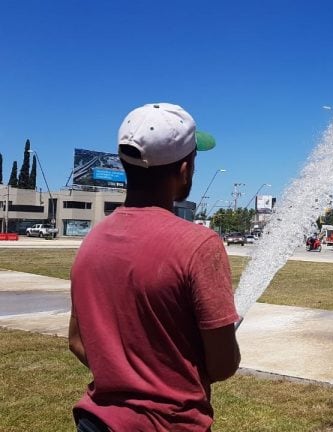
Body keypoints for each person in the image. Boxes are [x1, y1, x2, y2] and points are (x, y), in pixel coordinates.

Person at [68, 103, 241, 431]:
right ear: (185, 169)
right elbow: (221, 365)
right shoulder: (200, 246)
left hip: (97, 423)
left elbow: (77, 341)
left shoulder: (92, 242)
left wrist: (122, 374)